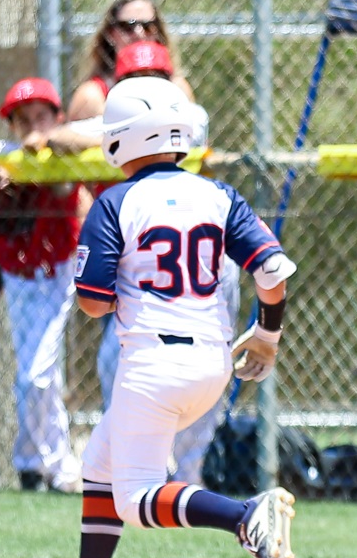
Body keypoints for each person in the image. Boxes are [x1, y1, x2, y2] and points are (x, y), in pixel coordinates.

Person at [24, 76, 297, 558]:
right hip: (213, 363)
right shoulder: (221, 196)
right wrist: (267, 335)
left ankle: (245, 517)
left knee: (136, 496)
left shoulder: (115, 202)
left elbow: (94, 303)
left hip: (151, 366)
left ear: (121, 139)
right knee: (100, 463)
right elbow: (271, 272)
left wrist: (111, 281)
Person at [40, 39, 232, 484]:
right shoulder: (159, 123)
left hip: (193, 273)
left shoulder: (188, 116)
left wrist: (112, 129)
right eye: (134, 81)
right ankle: (151, 465)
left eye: (157, 79)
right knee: (115, 364)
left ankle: (189, 477)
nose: (147, 88)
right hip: (148, 266)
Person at [0, 78, 85, 491]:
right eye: (22, 119)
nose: (32, 125)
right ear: (9, 125)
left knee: (36, 374)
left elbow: (72, 154)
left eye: (41, 116)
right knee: (41, 373)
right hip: (17, 273)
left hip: (56, 270)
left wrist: (48, 139)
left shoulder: (62, 149)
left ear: (56, 118)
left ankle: (32, 462)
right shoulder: (0, 156)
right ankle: (55, 467)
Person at [66, 0, 194, 125]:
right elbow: (66, 139)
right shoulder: (93, 95)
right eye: (128, 26)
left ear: (158, 32)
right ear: (110, 34)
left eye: (147, 26)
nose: (139, 33)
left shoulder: (177, 88)